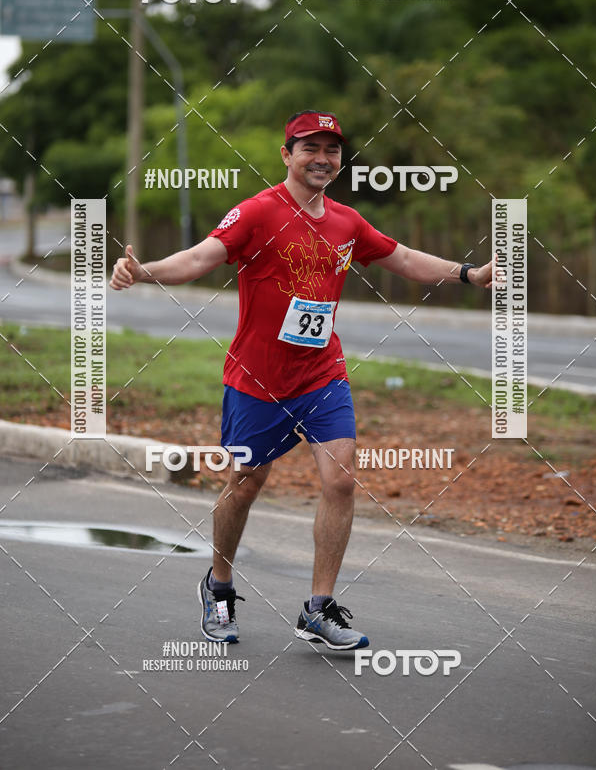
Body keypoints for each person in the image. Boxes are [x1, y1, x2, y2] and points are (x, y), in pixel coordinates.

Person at [110, 110, 497, 650]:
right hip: (257, 380)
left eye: (332, 150)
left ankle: (318, 608)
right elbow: (200, 258)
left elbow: (402, 257)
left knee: (340, 480)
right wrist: (143, 271)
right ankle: (218, 585)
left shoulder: (346, 222)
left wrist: (466, 273)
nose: (322, 158)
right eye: (310, 147)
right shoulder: (256, 213)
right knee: (245, 484)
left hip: (322, 375)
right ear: (287, 154)